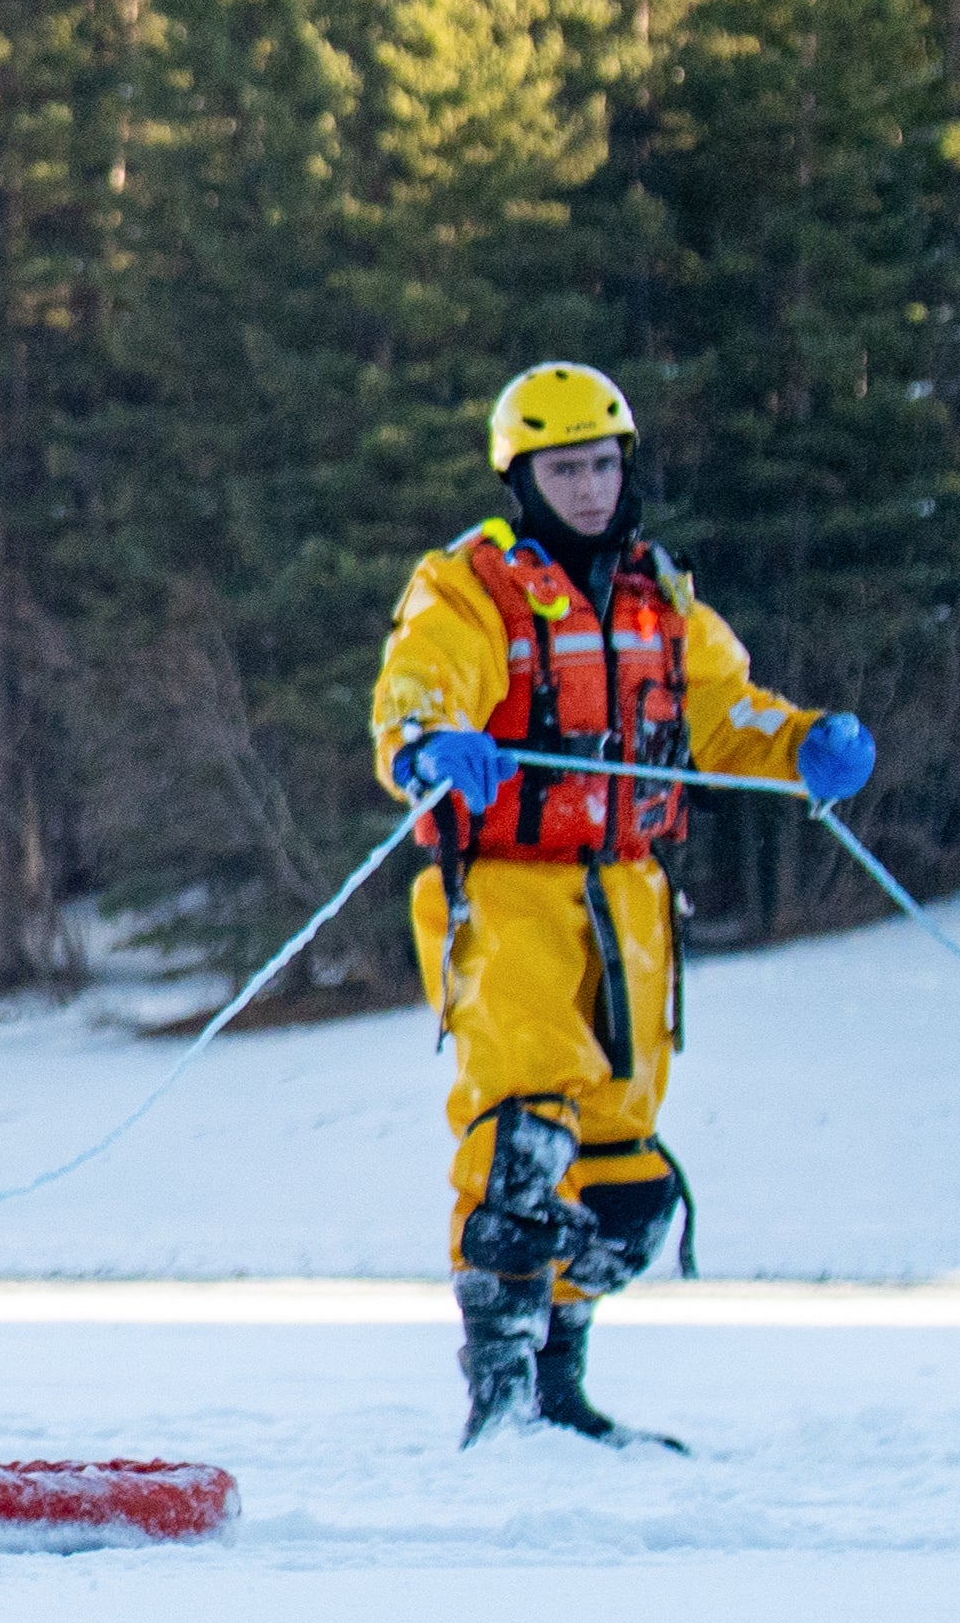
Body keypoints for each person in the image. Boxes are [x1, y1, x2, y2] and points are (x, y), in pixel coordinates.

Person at [372, 362, 875, 1446]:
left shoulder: (663, 596)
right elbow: (419, 686)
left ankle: (562, 1388)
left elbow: (726, 710)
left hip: (632, 902)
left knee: (627, 1183)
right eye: (566, 467)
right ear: (524, 473)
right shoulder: (469, 587)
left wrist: (802, 745)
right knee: (521, 1143)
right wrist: (425, 743)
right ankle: (500, 1404)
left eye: (603, 462)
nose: (591, 486)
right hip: (508, 894)